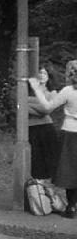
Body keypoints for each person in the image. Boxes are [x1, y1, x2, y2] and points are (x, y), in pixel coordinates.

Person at [29, 60, 77, 219]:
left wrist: (36, 89)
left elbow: (47, 107)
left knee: (70, 170)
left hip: (70, 132)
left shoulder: (68, 91)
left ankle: (71, 207)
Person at [28, 66, 59, 181]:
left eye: (44, 73)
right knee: (36, 159)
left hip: (46, 128)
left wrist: (28, 103)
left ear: (49, 77)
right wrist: (41, 106)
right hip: (31, 128)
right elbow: (20, 107)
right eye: (39, 72)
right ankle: (37, 186)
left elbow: (47, 110)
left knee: (50, 159)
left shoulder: (52, 92)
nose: (41, 75)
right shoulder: (26, 90)